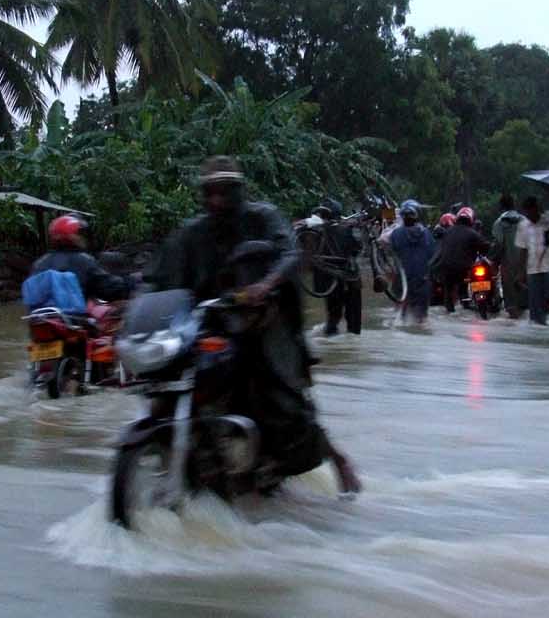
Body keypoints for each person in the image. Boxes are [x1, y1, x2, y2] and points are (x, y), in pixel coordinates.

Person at [151, 157, 359, 493]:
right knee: (167, 382)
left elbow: (289, 254)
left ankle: (335, 459)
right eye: (211, 193)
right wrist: (131, 300)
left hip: (265, 320)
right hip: (209, 319)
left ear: (238, 191)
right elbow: (160, 276)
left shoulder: (262, 218)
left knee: (283, 399)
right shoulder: (192, 233)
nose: (217, 200)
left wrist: (265, 285)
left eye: (225, 192)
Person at [30, 214, 132, 302]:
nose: (81, 237)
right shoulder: (83, 260)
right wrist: (128, 282)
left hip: (40, 317)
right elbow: (109, 288)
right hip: (73, 318)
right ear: (71, 236)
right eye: (79, 234)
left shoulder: (39, 263)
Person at [313, 198, 364, 336]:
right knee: (354, 324)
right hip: (350, 278)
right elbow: (357, 248)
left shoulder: (316, 231)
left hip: (329, 280)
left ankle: (331, 336)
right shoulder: (347, 229)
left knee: (333, 317)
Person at [387, 199, 436, 324]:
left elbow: (392, 252)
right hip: (422, 281)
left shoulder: (395, 234)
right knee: (421, 319)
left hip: (402, 282)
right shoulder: (427, 234)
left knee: (400, 315)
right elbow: (431, 254)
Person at [518, 196, 549, 324]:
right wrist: (520, 272)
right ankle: (538, 326)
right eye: (526, 212)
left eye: (531, 211)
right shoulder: (523, 225)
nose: (528, 215)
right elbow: (523, 249)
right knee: (535, 303)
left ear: (537, 209)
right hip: (533, 267)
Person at [432, 208, 487, 314]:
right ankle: (472, 303)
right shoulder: (473, 234)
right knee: (476, 286)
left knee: (449, 291)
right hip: (464, 270)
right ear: (471, 220)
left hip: (446, 270)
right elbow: (486, 247)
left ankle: (450, 310)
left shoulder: (447, 233)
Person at [489, 194, 527, 319]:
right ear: (514, 205)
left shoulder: (499, 222)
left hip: (508, 266)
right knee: (525, 301)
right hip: (525, 266)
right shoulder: (524, 220)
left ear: (501, 206)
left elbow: (498, 246)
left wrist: (493, 261)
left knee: (511, 303)